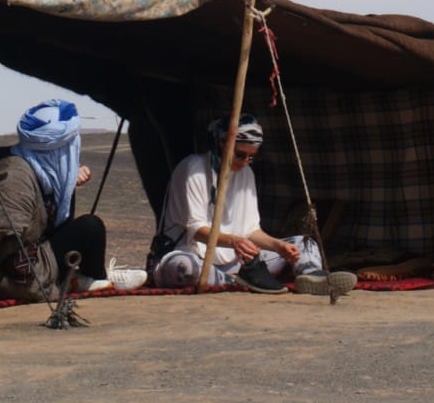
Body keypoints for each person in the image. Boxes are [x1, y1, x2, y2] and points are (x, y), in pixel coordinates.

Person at [0, 99, 145, 311]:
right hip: (19, 274)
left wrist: (68, 181)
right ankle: (91, 278)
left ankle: (84, 277)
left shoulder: (37, 166)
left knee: (70, 197)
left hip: (31, 252)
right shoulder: (15, 180)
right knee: (91, 227)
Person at [148, 113, 355, 296]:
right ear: (222, 143)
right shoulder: (193, 169)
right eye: (240, 155)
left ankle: (312, 276)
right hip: (191, 254)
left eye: (251, 157)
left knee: (304, 242)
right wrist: (234, 241)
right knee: (183, 268)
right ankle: (232, 282)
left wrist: (278, 246)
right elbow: (197, 231)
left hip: (237, 261)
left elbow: (251, 230)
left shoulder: (246, 173)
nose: (245, 162)